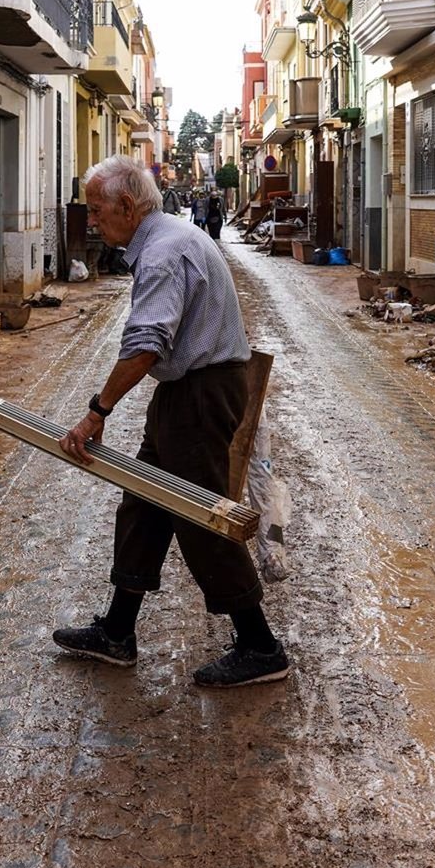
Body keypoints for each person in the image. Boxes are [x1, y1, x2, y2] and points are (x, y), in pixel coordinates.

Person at [53, 155, 287, 688]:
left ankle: (260, 645)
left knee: (199, 514)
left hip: (200, 395)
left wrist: (97, 412)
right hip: (188, 391)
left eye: (96, 210)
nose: (92, 221)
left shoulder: (161, 253)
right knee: (144, 501)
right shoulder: (169, 239)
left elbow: (145, 344)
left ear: (127, 206)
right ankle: (117, 631)